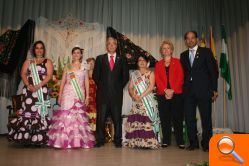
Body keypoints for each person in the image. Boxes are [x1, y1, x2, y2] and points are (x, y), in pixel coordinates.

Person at [47, 47, 95, 149]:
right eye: (74, 53)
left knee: (78, 117)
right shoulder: (67, 66)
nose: (76, 54)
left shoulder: (84, 66)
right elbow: (63, 81)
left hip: (79, 93)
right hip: (67, 93)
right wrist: (59, 95)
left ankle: (77, 141)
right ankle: (62, 141)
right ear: (72, 54)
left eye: (78, 53)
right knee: (65, 115)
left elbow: (86, 81)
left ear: (81, 55)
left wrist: (87, 96)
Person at [7, 41, 53, 146]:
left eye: (41, 48)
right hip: (29, 91)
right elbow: (23, 74)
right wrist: (28, 85)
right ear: (34, 50)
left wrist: (38, 86)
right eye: (37, 48)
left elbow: (49, 76)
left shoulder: (47, 61)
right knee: (27, 112)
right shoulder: (28, 61)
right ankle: (27, 138)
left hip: (41, 90)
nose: (39, 50)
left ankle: (40, 138)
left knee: (40, 113)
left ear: (43, 50)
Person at [180, 31, 218, 152]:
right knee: (189, 118)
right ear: (185, 41)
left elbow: (213, 72)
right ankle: (193, 143)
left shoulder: (206, 52)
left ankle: (206, 144)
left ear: (196, 39)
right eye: (188, 39)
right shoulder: (183, 55)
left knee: (206, 118)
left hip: (204, 90)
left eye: (192, 38)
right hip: (188, 92)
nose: (190, 40)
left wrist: (214, 89)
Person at [93, 37, 129, 148]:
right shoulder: (100, 59)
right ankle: (100, 140)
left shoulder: (122, 59)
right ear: (106, 46)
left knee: (117, 118)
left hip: (117, 95)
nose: (111, 45)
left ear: (116, 46)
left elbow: (125, 76)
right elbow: (95, 76)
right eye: (109, 44)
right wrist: (103, 87)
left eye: (114, 44)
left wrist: (117, 88)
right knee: (101, 118)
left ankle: (118, 140)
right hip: (102, 94)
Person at [124, 54, 160, 149]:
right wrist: (133, 95)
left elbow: (151, 87)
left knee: (146, 121)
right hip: (137, 102)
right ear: (137, 63)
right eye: (140, 60)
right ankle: (137, 142)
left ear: (147, 62)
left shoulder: (151, 73)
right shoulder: (134, 74)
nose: (142, 61)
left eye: (144, 60)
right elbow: (130, 87)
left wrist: (141, 96)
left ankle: (148, 143)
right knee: (137, 121)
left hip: (147, 101)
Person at [154, 40, 185, 149]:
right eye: (164, 48)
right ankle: (166, 140)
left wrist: (172, 90)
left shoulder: (177, 62)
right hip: (162, 95)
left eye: (168, 48)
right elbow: (157, 79)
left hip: (176, 94)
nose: (166, 50)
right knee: (165, 118)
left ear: (171, 50)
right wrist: (165, 90)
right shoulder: (158, 64)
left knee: (177, 118)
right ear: (161, 51)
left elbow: (180, 77)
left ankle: (180, 140)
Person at [86, 57, 97, 133]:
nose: (91, 64)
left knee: (93, 117)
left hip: (94, 100)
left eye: (93, 63)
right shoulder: (83, 75)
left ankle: (92, 134)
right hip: (85, 100)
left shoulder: (97, 76)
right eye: (89, 63)